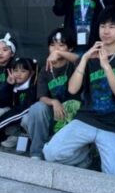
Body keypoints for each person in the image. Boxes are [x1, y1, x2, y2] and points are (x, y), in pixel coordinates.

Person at [43, 9, 115, 176]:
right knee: (51, 154)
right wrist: (84, 59)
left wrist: (106, 66)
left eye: (112, 27)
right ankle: (85, 156)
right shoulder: (89, 55)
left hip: (114, 125)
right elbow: (72, 89)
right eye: (102, 26)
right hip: (86, 118)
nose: (106, 31)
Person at [21, 29, 79, 160]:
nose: (56, 49)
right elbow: (41, 96)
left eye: (61, 45)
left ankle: (52, 142)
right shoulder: (45, 70)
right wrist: (54, 102)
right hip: (54, 114)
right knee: (35, 110)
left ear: (70, 48)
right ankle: (37, 153)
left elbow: (82, 59)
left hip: (72, 116)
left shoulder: (73, 65)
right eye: (52, 45)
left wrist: (60, 53)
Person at [0, 57, 38, 147]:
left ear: (31, 73)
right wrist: (8, 85)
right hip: (15, 116)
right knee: (0, 111)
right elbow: (0, 102)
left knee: (26, 119)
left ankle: (31, 139)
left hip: (25, 116)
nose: (18, 74)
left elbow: (26, 109)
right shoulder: (13, 85)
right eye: (15, 71)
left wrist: (3, 121)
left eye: (23, 71)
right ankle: (15, 135)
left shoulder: (33, 88)